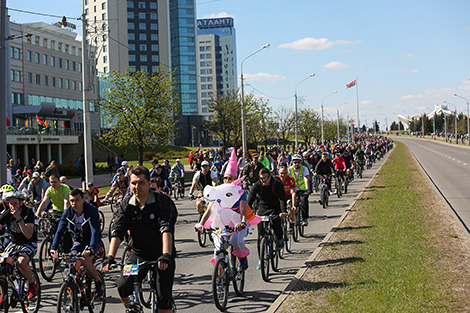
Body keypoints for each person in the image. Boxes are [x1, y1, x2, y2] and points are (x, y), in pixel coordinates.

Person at [102, 166, 177, 313]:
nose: (137, 187)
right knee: (123, 285)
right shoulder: (126, 205)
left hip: (161, 255)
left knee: (163, 297)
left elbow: (166, 228)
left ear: (149, 183)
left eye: (141, 182)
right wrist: (110, 256)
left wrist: (166, 255)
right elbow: (118, 230)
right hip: (138, 254)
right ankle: (133, 307)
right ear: (129, 184)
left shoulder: (162, 201)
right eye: (134, 183)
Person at [196, 148, 256, 270]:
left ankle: (242, 258)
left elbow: (243, 211)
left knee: (235, 240)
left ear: (235, 179)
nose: (227, 181)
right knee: (218, 250)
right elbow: (210, 209)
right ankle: (219, 280)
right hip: (221, 224)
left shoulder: (240, 192)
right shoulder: (218, 190)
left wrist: (242, 223)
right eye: (225, 178)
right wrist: (201, 224)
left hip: (237, 222)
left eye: (230, 178)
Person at [50, 188, 104, 297]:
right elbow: (60, 230)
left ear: (83, 199)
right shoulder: (68, 212)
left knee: (85, 260)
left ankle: (98, 282)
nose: (74, 203)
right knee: (71, 267)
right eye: (71, 201)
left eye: (76, 200)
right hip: (79, 241)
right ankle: (73, 301)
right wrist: (53, 248)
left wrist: (91, 248)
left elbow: (95, 230)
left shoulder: (92, 210)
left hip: (93, 241)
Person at [0, 190, 39, 302]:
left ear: (21, 202)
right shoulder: (7, 214)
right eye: (10, 203)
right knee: (2, 265)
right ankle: (3, 295)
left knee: (21, 262)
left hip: (28, 244)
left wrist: (19, 219)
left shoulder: (28, 213)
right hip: (14, 244)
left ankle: (32, 285)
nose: (13, 206)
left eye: (15, 203)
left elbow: (28, 235)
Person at [247, 168, 287, 269]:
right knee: (260, 235)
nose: (263, 180)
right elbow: (249, 201)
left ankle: (279, 238)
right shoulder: (257, 185)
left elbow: (282, 198)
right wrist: (246, 214)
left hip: (275, 207)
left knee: (276, 222)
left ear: (270, 176)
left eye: (265, 178)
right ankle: (261, 258)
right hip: (263, 208)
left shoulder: (277, 184)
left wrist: (283, 211)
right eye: (261, 178)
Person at [288, 154, 311, 226]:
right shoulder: (289, 170)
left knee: (304, 201)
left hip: (302, 189)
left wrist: (307, 189)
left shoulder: (304, 169)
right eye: (295, 162)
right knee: (289, 204)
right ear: (292, 162)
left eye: (298, 162)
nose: (296, 164)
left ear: (301, 162)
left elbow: (306, 179)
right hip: (292, 190)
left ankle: (305, 219)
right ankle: (290, 221)